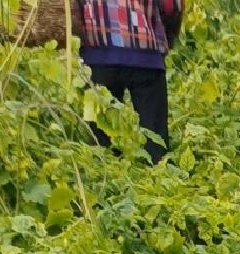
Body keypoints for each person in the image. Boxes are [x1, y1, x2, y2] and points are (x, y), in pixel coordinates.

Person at [78, 0, 183, 160]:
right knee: (155, 136)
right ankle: (158, 177)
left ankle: (104, 177)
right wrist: (166, 34)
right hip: (146, 51)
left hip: (97, 55)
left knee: (101, 139)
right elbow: (172, 5)